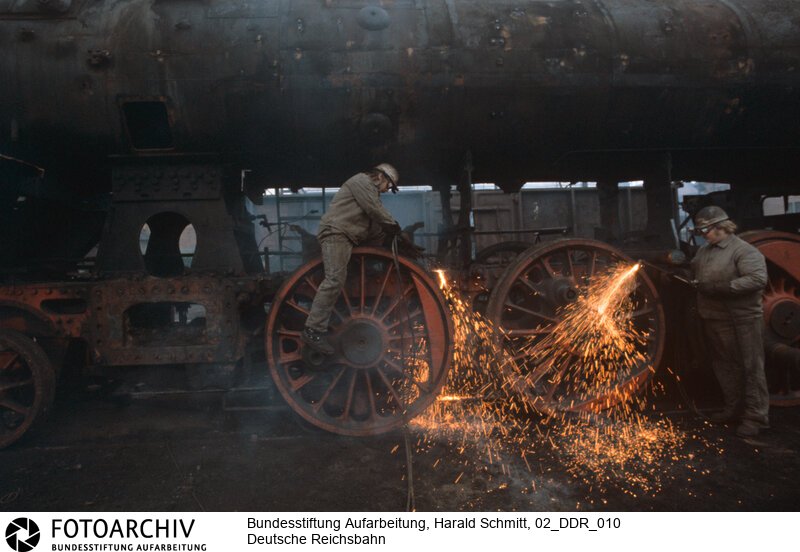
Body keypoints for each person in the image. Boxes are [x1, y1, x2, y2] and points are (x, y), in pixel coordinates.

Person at [301, 164, 402, 355]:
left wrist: (394, 236)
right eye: (389, 184)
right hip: (336, 233)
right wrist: (393, 225)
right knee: (334, 280)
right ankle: (313, 330)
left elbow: (375, 224)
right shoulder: (361, 181)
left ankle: (366, 270)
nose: (388, 189)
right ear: (381, 176)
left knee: (380, 232)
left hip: (350, 235)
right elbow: (374, 209)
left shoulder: (370, 192)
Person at [690, 205, 769, 437]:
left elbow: (757, 279)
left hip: (743, 319)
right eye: (701, 231)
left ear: (721, 227)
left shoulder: (744, 251)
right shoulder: (705, 252)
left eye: (706, 230)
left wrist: (726, 288)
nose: (703, 234)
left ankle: (756, 417)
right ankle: (733, 409)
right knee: (725, 366)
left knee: (751, 367)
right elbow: (694, 273)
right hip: (715, 318)